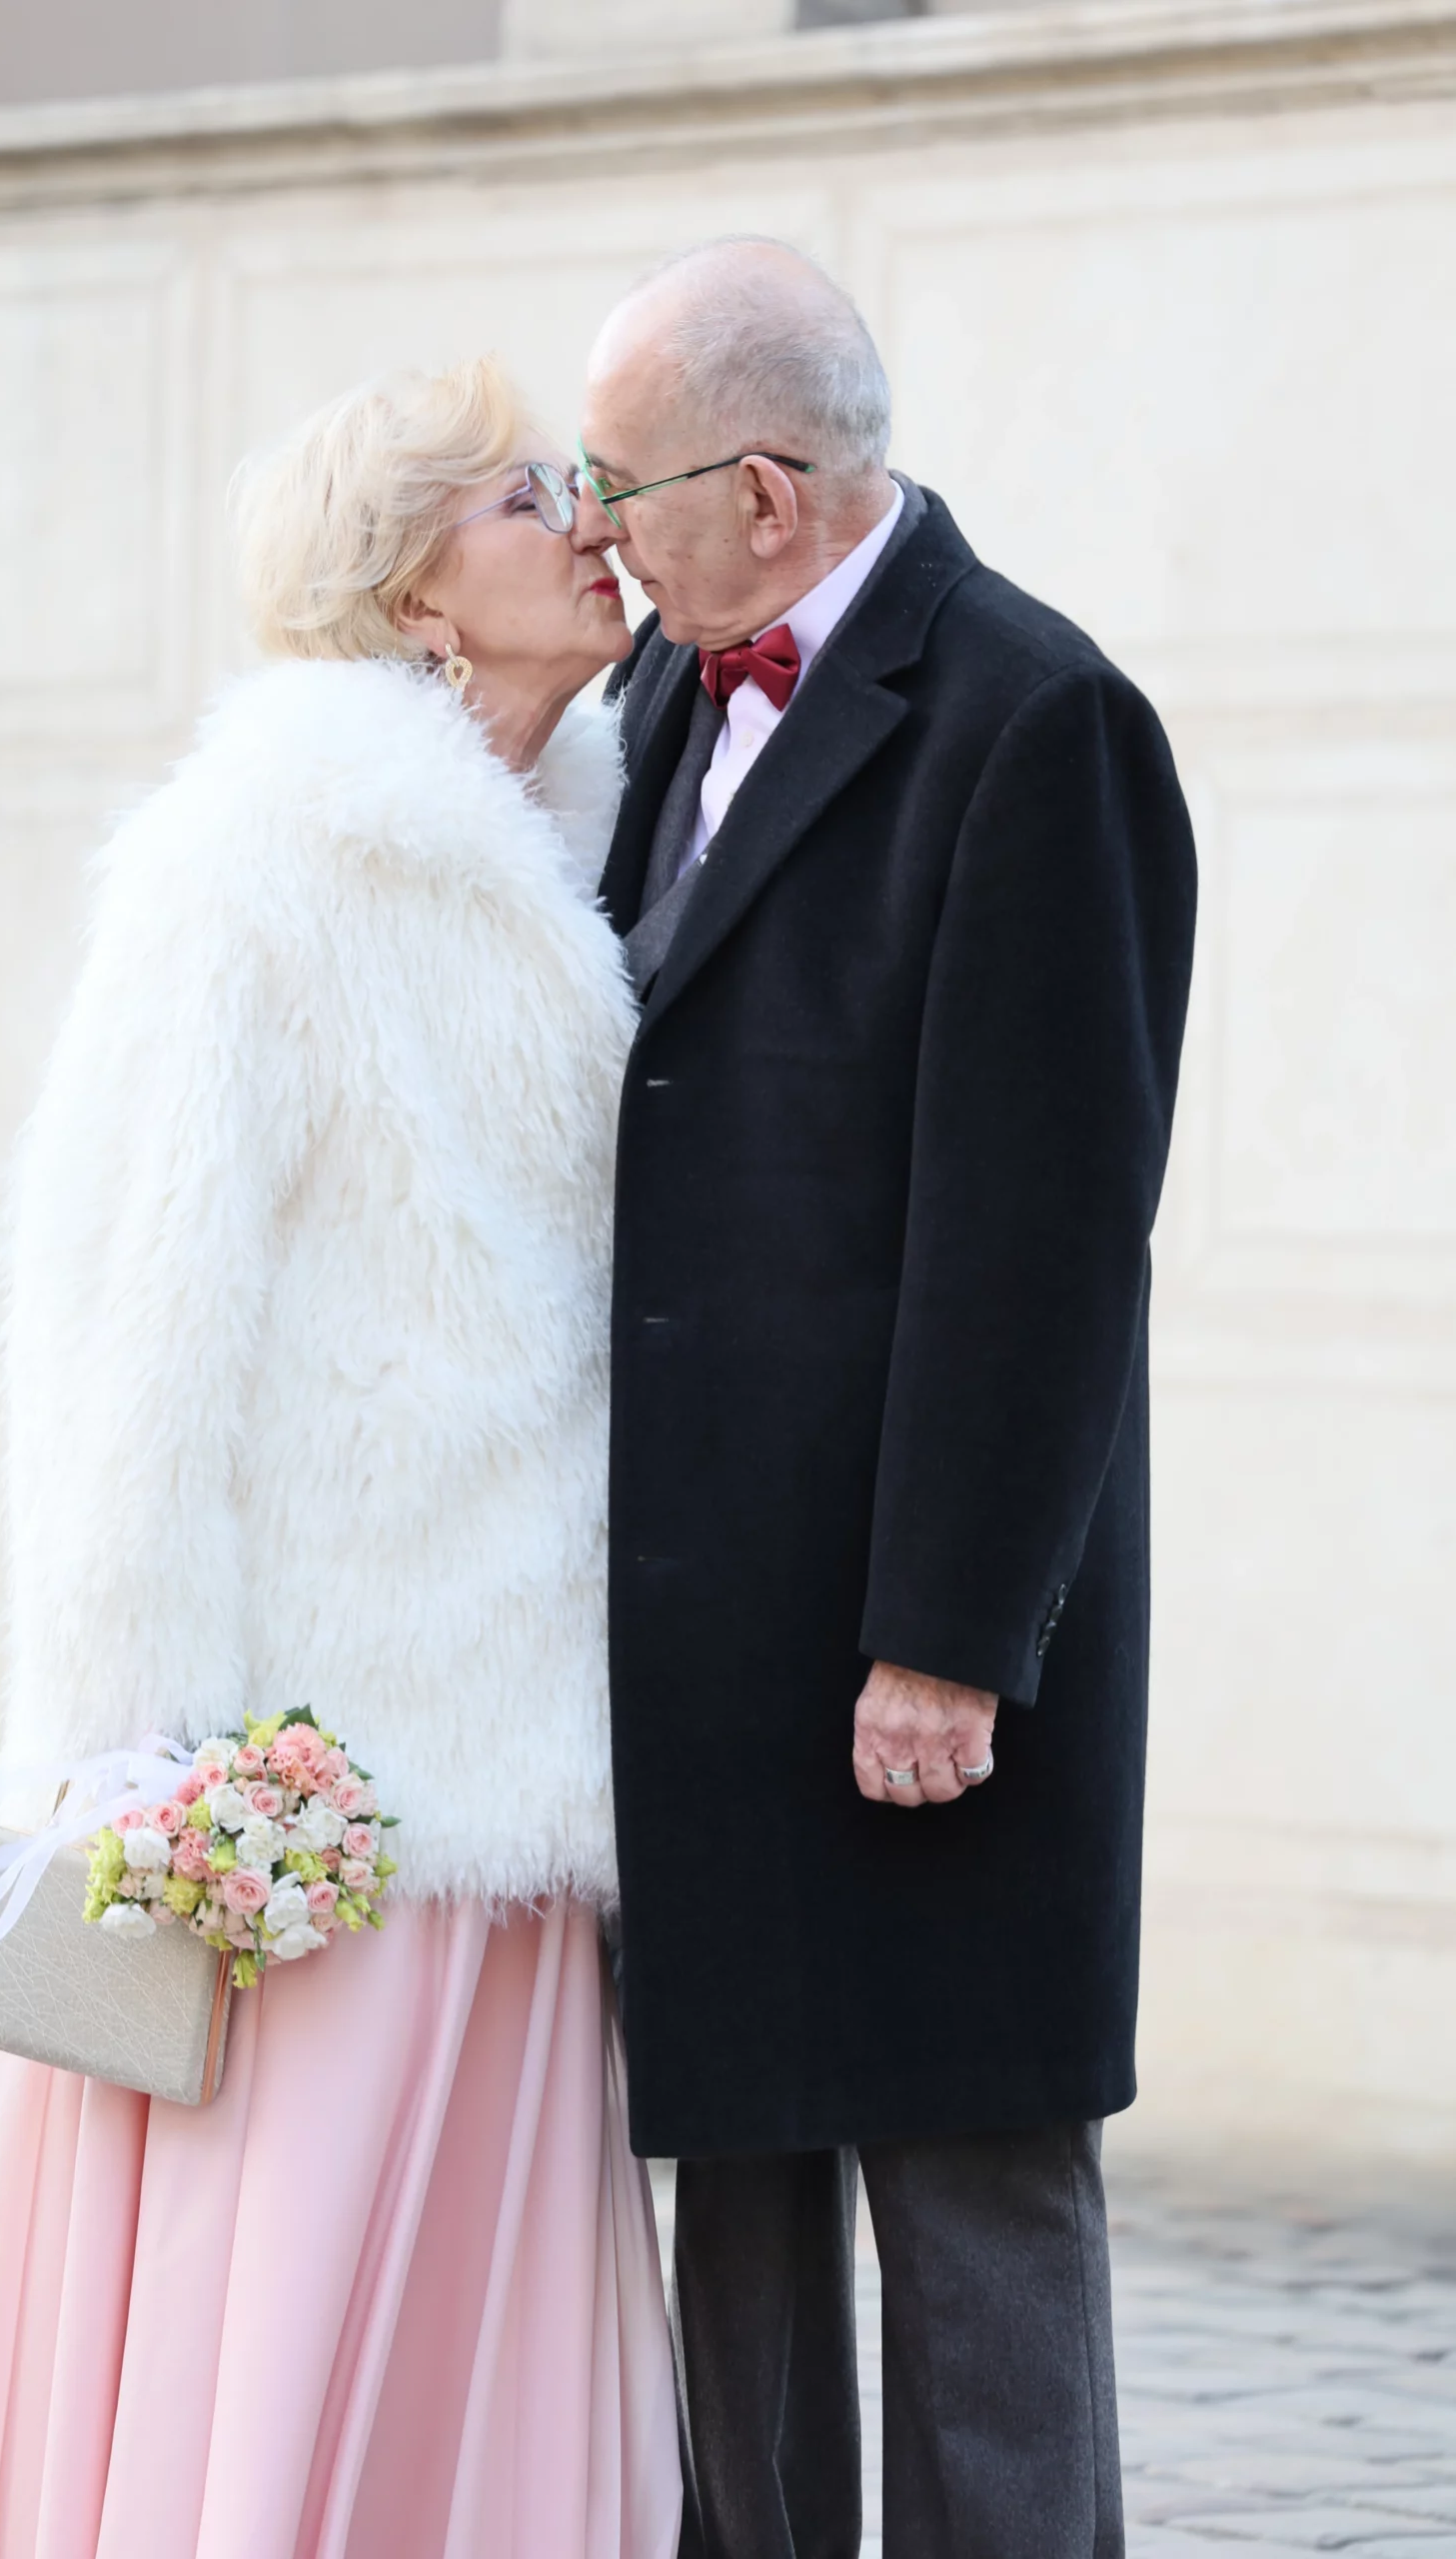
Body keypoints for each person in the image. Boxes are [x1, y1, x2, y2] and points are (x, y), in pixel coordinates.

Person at [0, 359, 682, 2559]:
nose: (589, 510)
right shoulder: (253, 862)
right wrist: (145, 1760)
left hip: (518, 1742)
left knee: (463, 2352)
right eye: (527, 489)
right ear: (416, 582)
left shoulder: (594, 848)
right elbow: (126, 1318)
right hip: (299, 1792)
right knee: (269, 2323)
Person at [579, 239, 1198, 2559]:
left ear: (760, 486)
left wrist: (945, 1631)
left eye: (615, 480)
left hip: (907, 1642)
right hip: (697, 1634)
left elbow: (1047, 1236)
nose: (593, 520)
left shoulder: (1039, 719)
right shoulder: (654, 700)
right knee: (735, 2222)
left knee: (965, 2206)